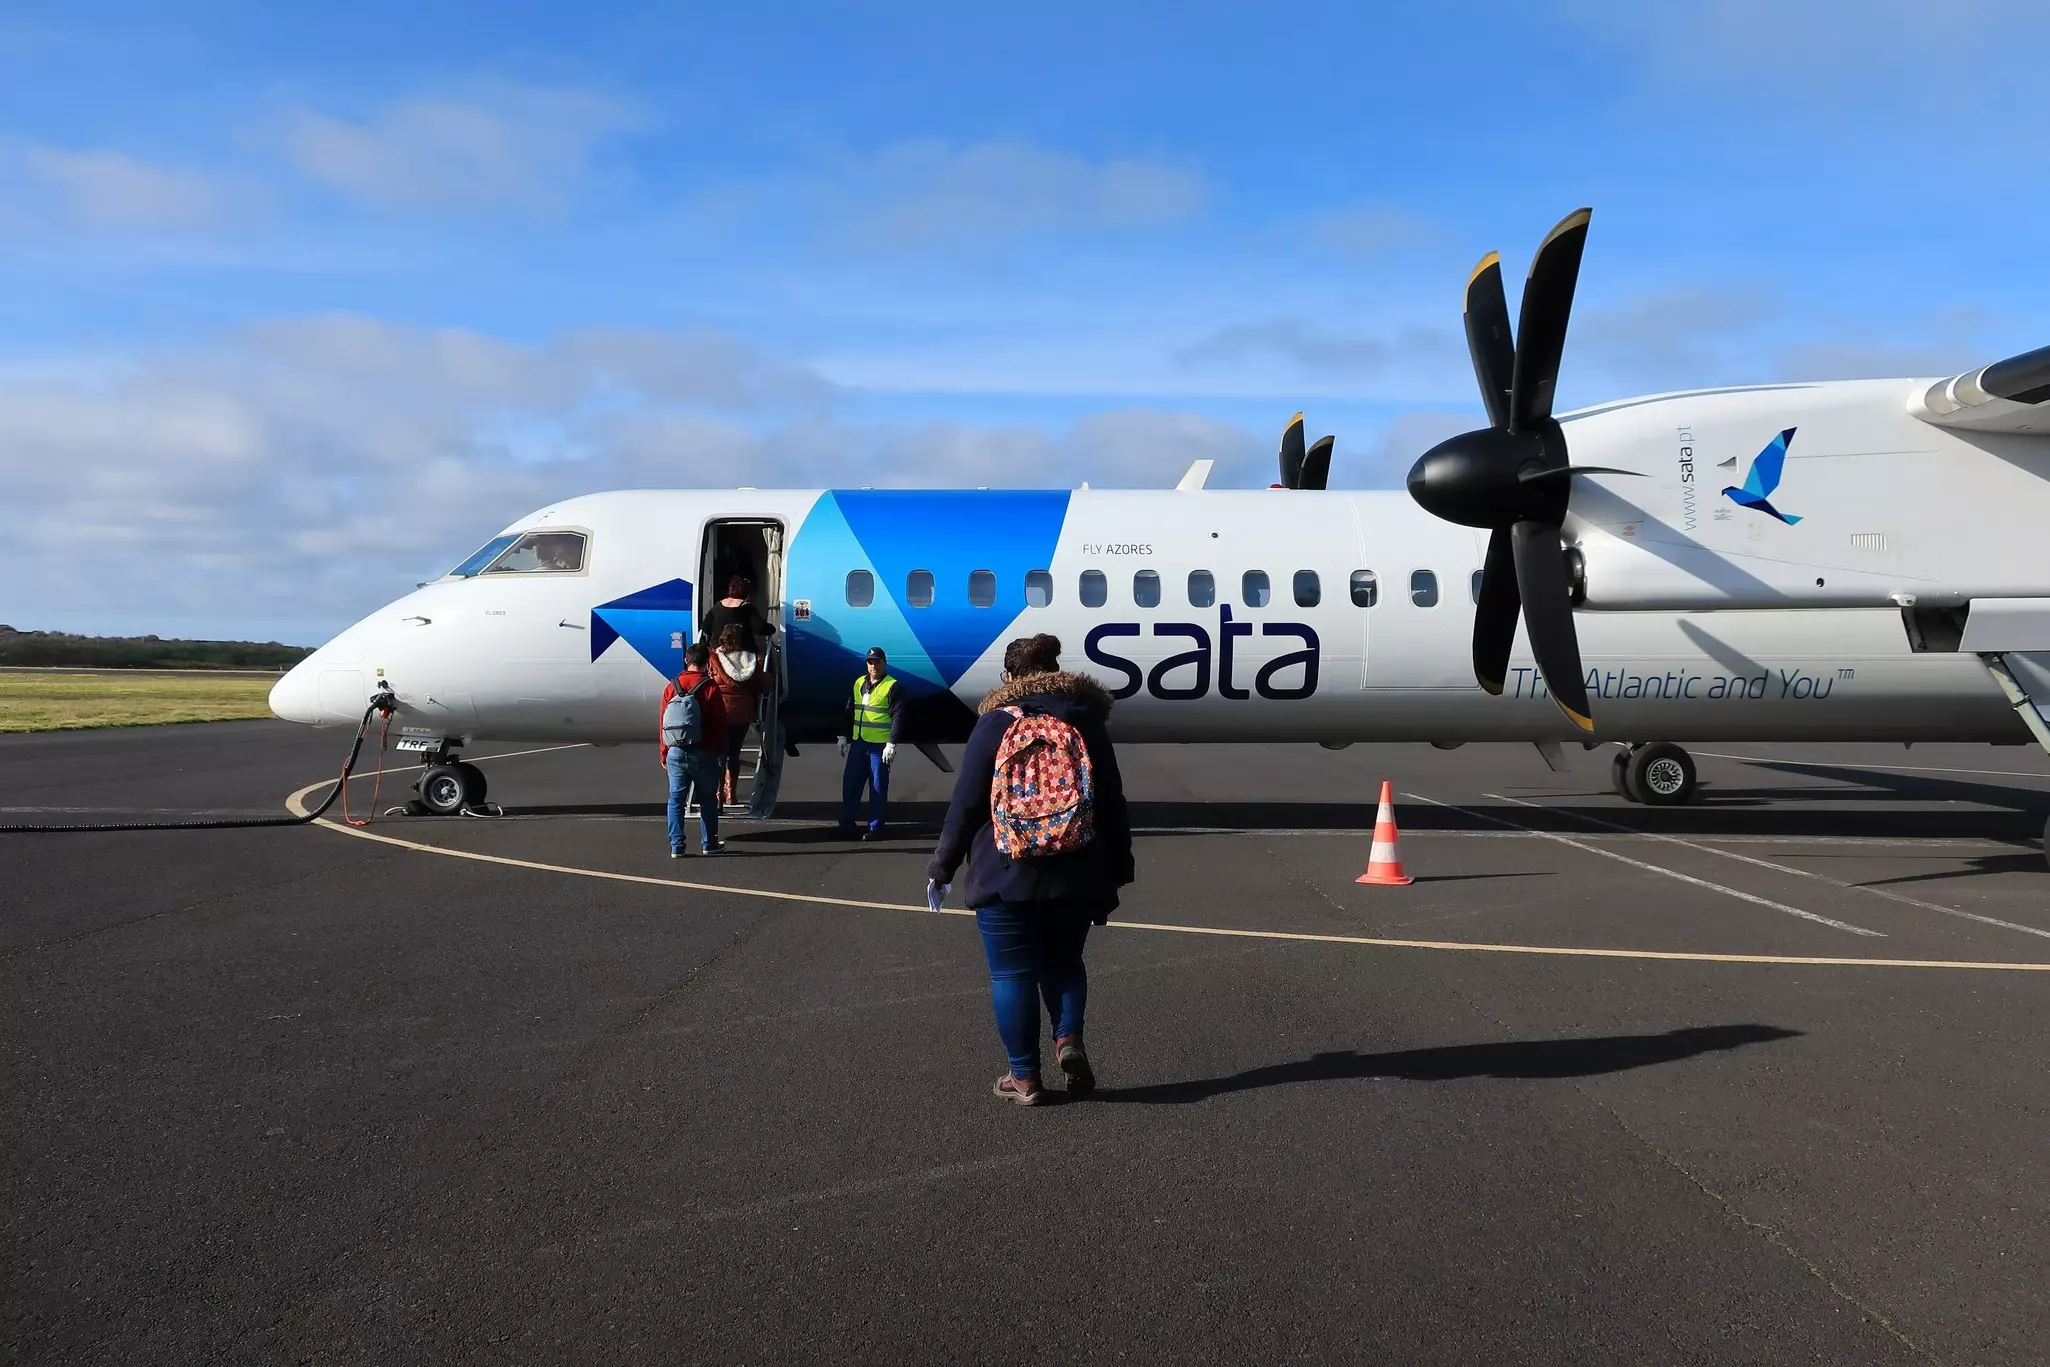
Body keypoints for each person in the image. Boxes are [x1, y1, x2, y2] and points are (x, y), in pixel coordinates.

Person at [926, 633, 1132, 1105]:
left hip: (1006, 868)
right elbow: (1113, 802)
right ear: (1057, 669)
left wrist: (943, 866)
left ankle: (1024, 1078)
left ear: (1009, 677)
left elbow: (966, 804)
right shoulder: (1086, 720)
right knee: (1064, 962)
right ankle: (1068, 1041)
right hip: (1077, 868)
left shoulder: (996, 722)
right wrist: (1118, 867)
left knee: (1012, 975)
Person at [660, 644, 728, 857]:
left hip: (676, 751)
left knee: (676, 800)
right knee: (708, 799)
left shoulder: (672, 686)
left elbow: (662, 720)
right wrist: (719, 751)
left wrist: (664, 751)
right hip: (704, 751)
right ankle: (709, 843)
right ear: (707, 661)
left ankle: (677, 846)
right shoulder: (710, 687)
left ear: (686, 660)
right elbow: (719, 723)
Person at [837, 646, 900, 840]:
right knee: (850, 785)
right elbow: (849, 710)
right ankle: (846, 825)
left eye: (877, 661)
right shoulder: (858, 683)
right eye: (871, 662)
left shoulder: (892, 686)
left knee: (878, 787)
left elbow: (899, 715)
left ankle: (875, 828)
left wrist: (892, 743)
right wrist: (842, 736)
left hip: (878, 747)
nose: (874, 665)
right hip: (859, 743)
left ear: (884, 663)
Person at [708, 621, 771, 806]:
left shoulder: (714, 658)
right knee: (734, 754)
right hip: (743, 713)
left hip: (720, 712)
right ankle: (731, 793)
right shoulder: (751, 660)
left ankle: (718, 795)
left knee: (720, 754)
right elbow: (765, 686)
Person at [698, 574, 774, 647]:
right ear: (746, 593)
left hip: (717, 656)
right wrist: (772, 628)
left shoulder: (717, 607)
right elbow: (761, 629)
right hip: (742, 657)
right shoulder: (747, 608)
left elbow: (705, 627)